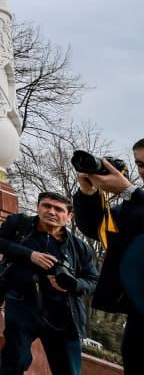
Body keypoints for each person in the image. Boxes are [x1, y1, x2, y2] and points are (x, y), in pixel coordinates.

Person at [0, 191, 99, 375]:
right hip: (22, 305)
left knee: (69, 370)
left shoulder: (80, 248)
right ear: (38, 207)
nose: (52, 212)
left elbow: (93, 281)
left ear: (69, 216)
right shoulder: (20, 225)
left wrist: (71, 285)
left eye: (58, 209)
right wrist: (30, 255)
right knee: (14, 361)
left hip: (63, 313)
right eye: (47, 206)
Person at [73, 141, 144, 371]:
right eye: (140, 164)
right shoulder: (133, 207)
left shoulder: (136, 200)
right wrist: (88, 192)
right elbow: (96, 227)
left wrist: (130, 192)